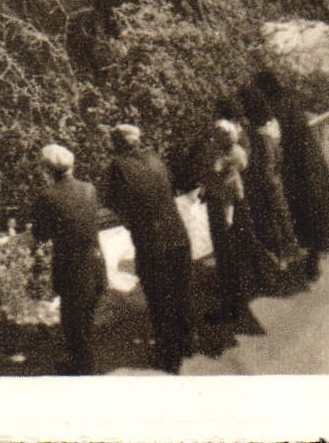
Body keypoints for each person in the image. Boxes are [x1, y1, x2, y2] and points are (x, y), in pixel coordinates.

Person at [104, 123, 194, 373]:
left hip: (152, 241)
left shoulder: (117, 167)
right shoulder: (155, 158)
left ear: (117, 144)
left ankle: (169, 357)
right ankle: (187, 343)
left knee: (159, 298)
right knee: (181, 292)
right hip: (177, 233)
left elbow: (112, 202)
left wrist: (129, 220)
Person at [251, 71, 329, 280]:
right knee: (313, 210)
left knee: (301, 213)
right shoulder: (290, 100)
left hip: (295, 166)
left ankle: (310, 260)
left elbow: (279, 140)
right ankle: (313, 256)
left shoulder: (275, 109)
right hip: (310, 161)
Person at [31, 143, 108, 375]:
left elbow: (41, 234)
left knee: (75, 327)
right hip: (95, 264)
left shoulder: (48, 196)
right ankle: (83, 366)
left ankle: (81, 372)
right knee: (85, 322)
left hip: (72, 270)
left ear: (47, 170)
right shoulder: (89, 189)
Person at [236, 80, 304, 282]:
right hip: (273, 178)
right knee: (280, 214)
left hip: (264, 180)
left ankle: (283, 257)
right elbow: (278, 156)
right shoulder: (268, 126)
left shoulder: (255, 134)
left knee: (272, 217)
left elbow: (256, 159)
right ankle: (291, 254)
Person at [195, 119, 255, 324]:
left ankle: (232, 306)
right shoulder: (231, 151)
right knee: (231, 255)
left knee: (228, 256)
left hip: (225, 208)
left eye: (218, 134)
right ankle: (237, 298)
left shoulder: (228, 155)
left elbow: (217, 172)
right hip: (227, 204)